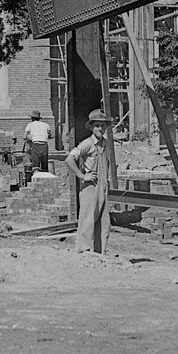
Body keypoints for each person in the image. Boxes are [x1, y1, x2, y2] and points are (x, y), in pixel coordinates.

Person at [65, 109, 113, 254]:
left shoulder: (105, 143)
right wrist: (82, 176)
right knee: (87, 219)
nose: (100, 128)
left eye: (103, 125)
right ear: (91, 127)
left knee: (103, 221)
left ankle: (100, 252)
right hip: (90, 187)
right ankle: (84, 250)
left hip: (102, 186)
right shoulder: (87, 143)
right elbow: (69, 159)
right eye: (97, 125)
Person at [23, 108, 52, 182]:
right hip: (44, 145)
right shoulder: (46, 125)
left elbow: (24, 136)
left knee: (35, 165)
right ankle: (46, 181)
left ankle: (35, 181)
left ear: (32, 118)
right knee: (44, 165)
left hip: (35, 145)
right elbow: (51, 135)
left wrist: (30, 138)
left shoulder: (30, 125)